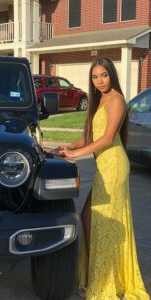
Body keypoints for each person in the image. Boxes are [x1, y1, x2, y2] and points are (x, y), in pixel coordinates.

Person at [58, 57, 150, 300]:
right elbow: (90, 136)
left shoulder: (117, 99)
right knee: (88, 218)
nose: (99, 81)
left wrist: (77, 154)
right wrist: (66, 147)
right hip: (104, 167)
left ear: (112, 75)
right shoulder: (99, 101)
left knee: (104, 224)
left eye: (104, 75)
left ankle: (105, 280)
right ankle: (95, 275)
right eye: (95, 77)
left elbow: (108, 138)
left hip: (114, 166)